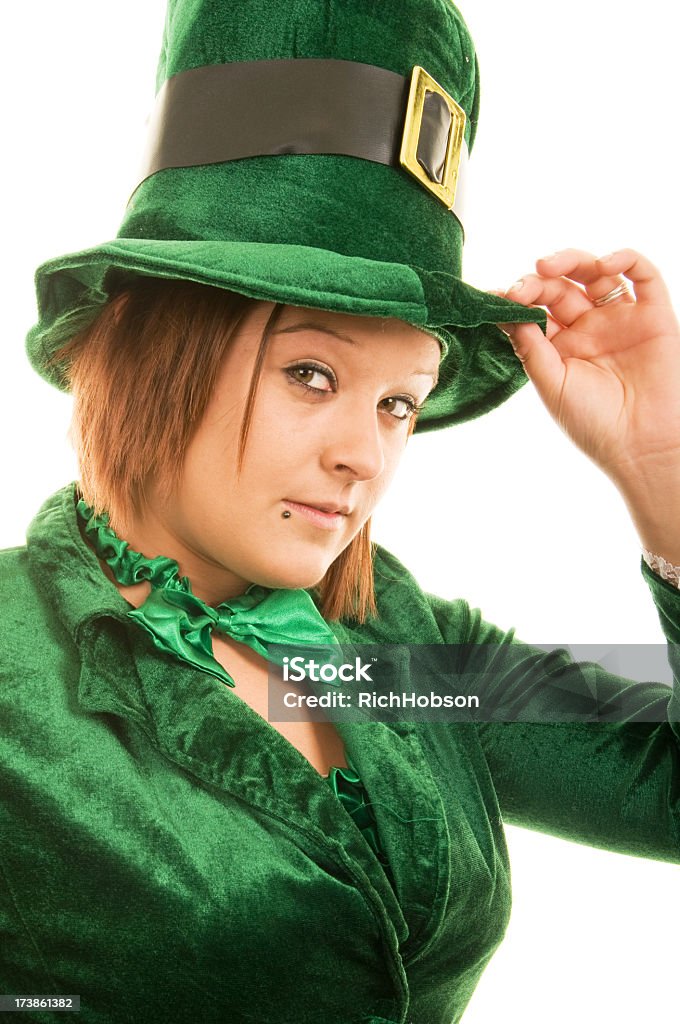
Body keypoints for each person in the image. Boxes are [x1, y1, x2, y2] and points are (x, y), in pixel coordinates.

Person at [1, 1, 679, 1023]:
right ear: (156, 346)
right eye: (311, 373)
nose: (362, 455)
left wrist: (657, 464)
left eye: (397, 402)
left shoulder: (396, 646)